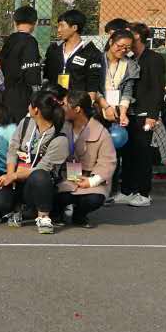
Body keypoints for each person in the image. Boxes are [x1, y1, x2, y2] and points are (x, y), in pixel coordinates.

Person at [0, 90, 68, 233]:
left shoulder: (60, 139)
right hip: (17, 180)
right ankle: (19, 209)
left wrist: (14, 176)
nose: (28, 107)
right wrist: (10, 175)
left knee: (40, 176)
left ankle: (43, 217)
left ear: (36, 110)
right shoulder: (25, 123)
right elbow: (13, 149)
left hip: (39, 186)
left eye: (30, 104)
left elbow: (42, 168)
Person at [112, 22, 166, 208]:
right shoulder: (129, 58)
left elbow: (157, 89)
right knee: (127, 153)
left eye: (129, 35)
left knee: (143, 153)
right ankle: (127, 190)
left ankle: (144, 193)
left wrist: (153, 115)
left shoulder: (154, 58)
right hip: (129, 112)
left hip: (145, 114)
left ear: (137, 37)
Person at [56, 91, 116, 229]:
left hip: (89, 178)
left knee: (94, 199)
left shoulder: (101, 132)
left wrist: (91, 181)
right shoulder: (62, 126)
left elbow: (108, 162)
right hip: (65, 176)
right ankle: (57, 213)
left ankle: (79, 214)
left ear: (77, 109)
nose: (62, 107)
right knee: (56, 194)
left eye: (65, 105)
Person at [43, 9, 104, 101]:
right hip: (54, 102)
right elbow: (46, 77)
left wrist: (88, 106)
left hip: (76, 103)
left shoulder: (91, 52)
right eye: (58, 26)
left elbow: (92, 85)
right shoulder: (53, 50)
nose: (58, 30)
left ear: (74, 28)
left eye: (62, 26)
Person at [0, 5, 43, 124]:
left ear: (15, 22)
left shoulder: (9, 40)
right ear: (34, 23)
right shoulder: (30, 41)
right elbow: (32, 75)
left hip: (7, 92)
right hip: (23, 95)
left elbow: (0, 63)